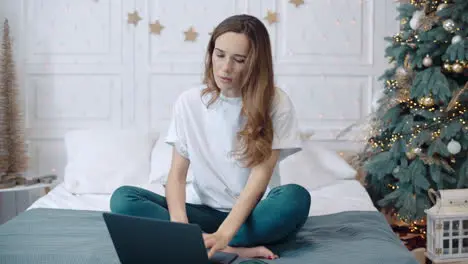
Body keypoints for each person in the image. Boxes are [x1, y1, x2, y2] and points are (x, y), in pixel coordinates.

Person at [109, 14, 311, 260]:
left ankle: (211, 244)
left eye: (239, 60)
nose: (226, 68)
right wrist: (179, 226)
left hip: (254, 214)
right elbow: (177, 175)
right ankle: (231, 250)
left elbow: (260, 178)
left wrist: (225, 233)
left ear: (256, 64)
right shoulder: (189, 102)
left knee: (295, 198)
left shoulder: (276, 103)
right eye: (220, 55)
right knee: (123, 199)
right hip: (205, 211)